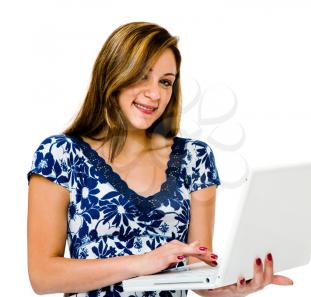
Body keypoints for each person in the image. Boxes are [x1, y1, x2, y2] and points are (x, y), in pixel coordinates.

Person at [27, 21, 293, 297]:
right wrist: (143, 263)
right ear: (113, 75)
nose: (155, 94)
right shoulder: (59, 155)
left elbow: (196, 271)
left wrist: (231, 288)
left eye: (166, 81)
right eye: (142, 76)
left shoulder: (194, 158)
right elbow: (43, 276)